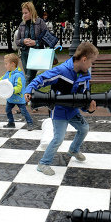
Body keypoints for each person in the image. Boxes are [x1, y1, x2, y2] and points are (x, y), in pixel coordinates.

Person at [24, 42, 98, 176]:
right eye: (91, 62)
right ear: (84, 59)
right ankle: (43, 163)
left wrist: (90, 109)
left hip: (73, 110)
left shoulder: (85, 75)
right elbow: (41, 78)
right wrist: (29, 89)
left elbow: (85, 98)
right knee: (58, 138)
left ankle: (74, 150)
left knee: (84, 128)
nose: (91, 65)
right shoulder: (61, 71)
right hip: (58, 111)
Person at [14, 1, 48, 86]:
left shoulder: (40, 22)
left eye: (26, 13)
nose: (24, 15)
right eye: (23, 13)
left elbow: (47, 38)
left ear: (31, 12)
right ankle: (32, 95)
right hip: (25, 54)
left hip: (36, 53)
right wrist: (23, 41)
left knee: (29, 77)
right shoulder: (22, 24)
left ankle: (26, 96)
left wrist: (35, 42)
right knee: (29, 76)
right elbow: (17, 41)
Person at [0, 53, 34, 130]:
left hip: (19, 97)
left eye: (6, 64)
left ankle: (30, 123)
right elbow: (2, 80)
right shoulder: (8, 73)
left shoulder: (18, 75)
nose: (5, 65)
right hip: (11, 97)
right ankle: (11, 123)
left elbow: (19, 87)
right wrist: (0, 84)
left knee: (23, 111)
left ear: (12, 64)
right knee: (8, 110)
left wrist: (11, 90)